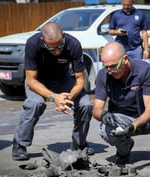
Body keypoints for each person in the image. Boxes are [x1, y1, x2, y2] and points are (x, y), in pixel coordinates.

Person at [92, 42, 150, 172]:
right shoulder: (103, 75)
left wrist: (134, 126)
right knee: (104, 129)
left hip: (149, 119)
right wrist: (103, 115)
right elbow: (96, 108)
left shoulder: (144, 70)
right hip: (124, 121)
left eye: (113, 66)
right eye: (105, 67)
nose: (109, 71)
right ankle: (124, 149)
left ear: (125, 60)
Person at [12, 22, 94, 161]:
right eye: (51, 47)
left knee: (86, 104)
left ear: (63, 36)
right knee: (34, 104)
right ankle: (20, 144)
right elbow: (31, 80)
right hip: (39, 80)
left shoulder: (73, 44)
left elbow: (80, 80)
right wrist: (53, 97)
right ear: (42, 40)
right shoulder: (32, 44)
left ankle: (79, 144)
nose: (57, 51)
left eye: (60, 46)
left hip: (63, 79)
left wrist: (68, 98)